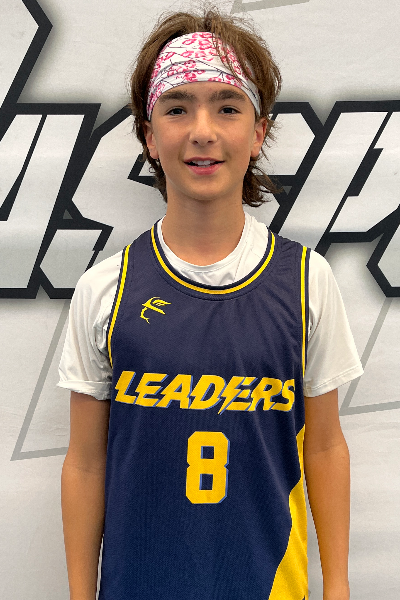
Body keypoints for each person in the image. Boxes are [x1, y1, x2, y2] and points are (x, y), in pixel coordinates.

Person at [59, 7, 363, 600]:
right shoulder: (104, 290)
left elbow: (325, 447)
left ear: (259, 131)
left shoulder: (307, 280)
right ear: (149, 135)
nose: (203, 130)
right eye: (177, 108)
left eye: (227, 106)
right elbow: (86, 463)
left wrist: (339, 586)